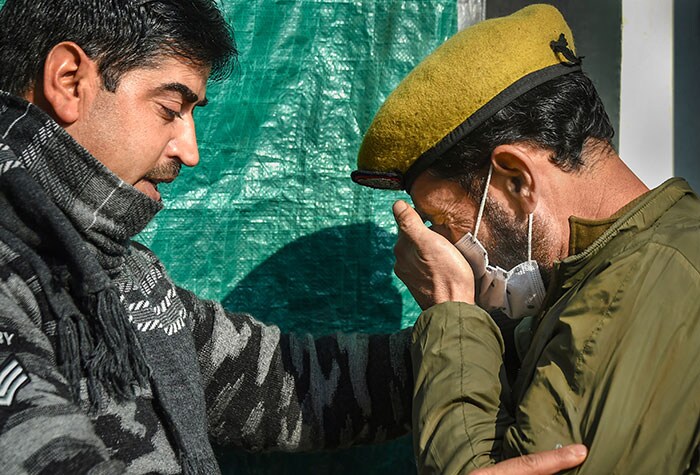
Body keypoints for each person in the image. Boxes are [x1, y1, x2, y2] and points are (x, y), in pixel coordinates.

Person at [0, 0, 586, 473]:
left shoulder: (123, 277)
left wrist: (485, 330)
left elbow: (290, 384)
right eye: (170, 109)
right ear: (69, 79)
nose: (190, 150)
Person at [351, 4, 700, 475]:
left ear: (516, 180)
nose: (448, 250)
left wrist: (451, 311)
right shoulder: (608, 272)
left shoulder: (637, 287)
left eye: (447, 223)